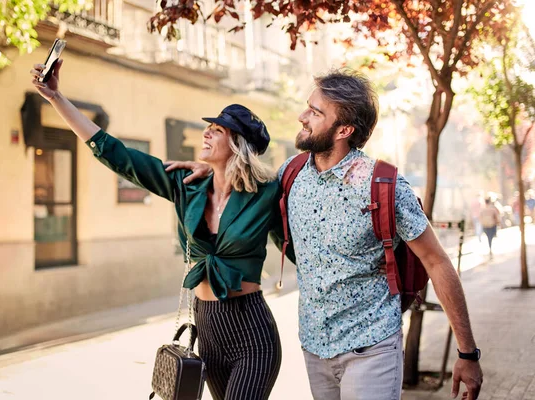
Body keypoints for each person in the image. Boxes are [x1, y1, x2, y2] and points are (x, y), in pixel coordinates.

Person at [170, 69, 483, 400]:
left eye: (316, 113)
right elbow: (251, 195)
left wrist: (467, 353)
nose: (302, 117)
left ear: (344, 130)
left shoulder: (383, 184)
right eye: (308, 107)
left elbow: (436, 262)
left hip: (372, 347)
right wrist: (213, 169)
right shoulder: (289, 175)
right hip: (315, 349)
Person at [30, 60, 282, 400]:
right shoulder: (186, 184)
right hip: (207, 328)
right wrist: (56, 97)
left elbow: (297, 217)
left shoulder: (266, 193)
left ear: (237, 144)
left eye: (217, 130)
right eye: (209, 127)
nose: (206, 132)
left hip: (251, 332)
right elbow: (117, 154)